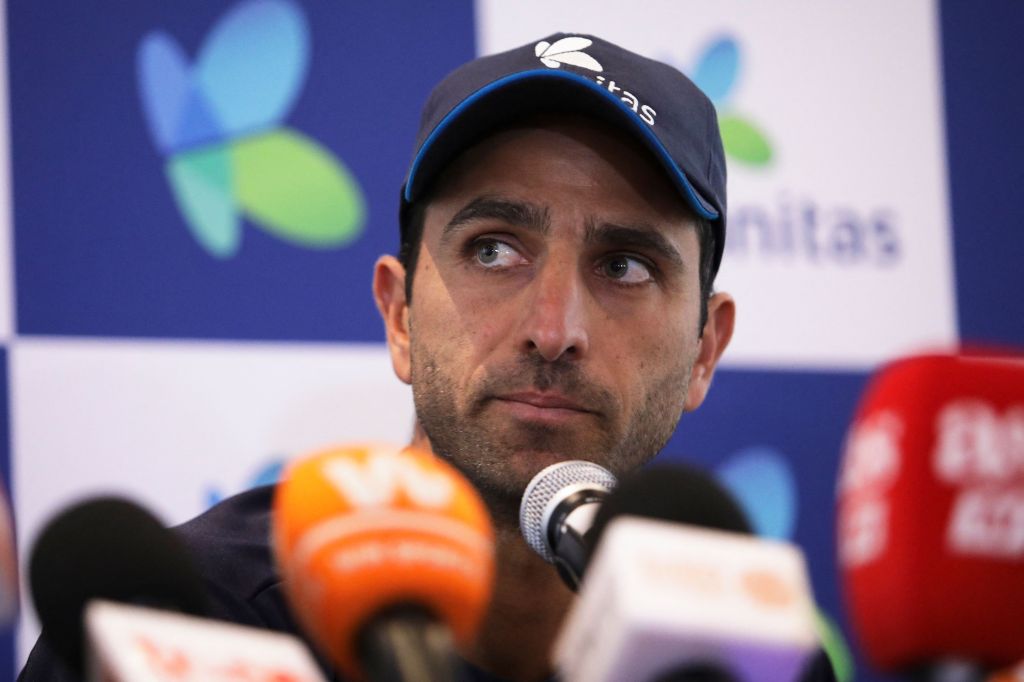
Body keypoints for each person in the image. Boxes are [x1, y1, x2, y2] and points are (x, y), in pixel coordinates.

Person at [20, 33, 834, 682]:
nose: (554, 329)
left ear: (705, 350)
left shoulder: (747, 660)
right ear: (400, 315)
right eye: (493, 250)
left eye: (624, 265)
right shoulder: (188, 631)